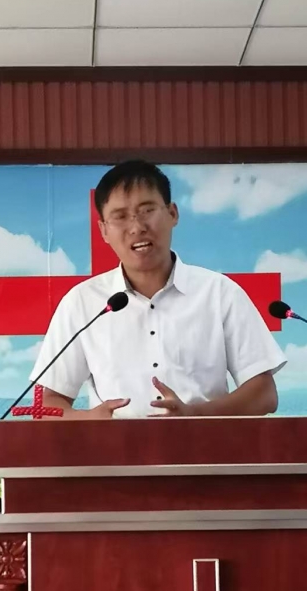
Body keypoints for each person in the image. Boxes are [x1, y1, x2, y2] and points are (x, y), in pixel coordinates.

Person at [30, 159, 286, 419]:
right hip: (113, 445)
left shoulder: (220, 293)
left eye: (147, 210)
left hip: (205, 444)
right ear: (104, 230)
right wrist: (88, 419)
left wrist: (194, 414)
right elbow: (46, 405)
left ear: (172, 213)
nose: (137, 227)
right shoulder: (81, 302)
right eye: (120, 217)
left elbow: (264, 394)